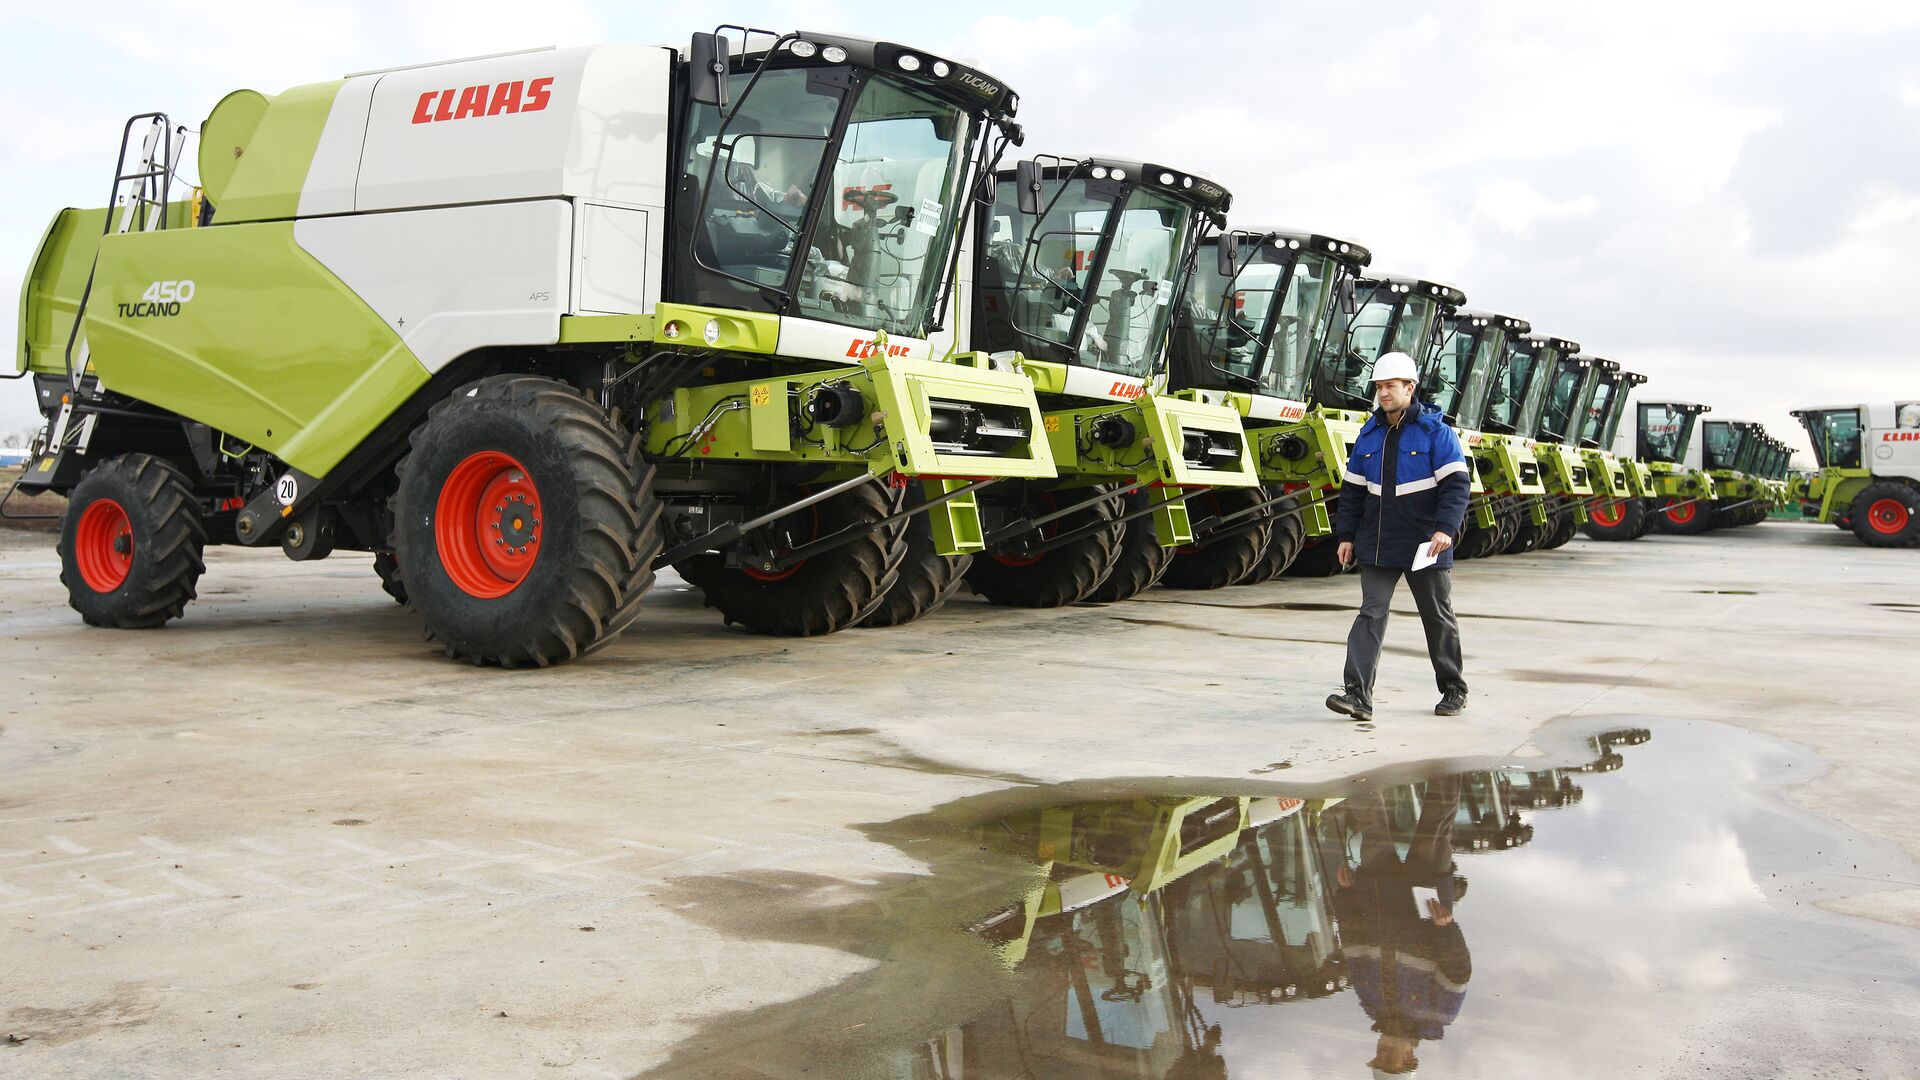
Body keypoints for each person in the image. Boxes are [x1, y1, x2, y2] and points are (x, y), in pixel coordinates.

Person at [1325, 352, 1471, 722]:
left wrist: (1445, 529)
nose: (1383, 393)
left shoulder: (1436, 432)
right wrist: (1346, 536)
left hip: (1426, 543)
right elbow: (1354, 490)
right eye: (1379, 387)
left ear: (1410, 387)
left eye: (1390, 386)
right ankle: (1357, 695)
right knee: (1370, 615)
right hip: (1377, 542)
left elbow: (1456, 487)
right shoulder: (1369, 434)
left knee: (1437, 616)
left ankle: (1453, 688)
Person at [1332, 775, 1473, 1078]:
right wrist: (1446, 929)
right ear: (1410, 1059)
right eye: (1389, 1060)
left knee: (1371, 826)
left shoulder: (1371, 1005)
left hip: (1379, 896)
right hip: (1426, 900)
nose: (1382, 1052)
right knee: (1436, 824)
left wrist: (1346, 896)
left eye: (1377, 1058)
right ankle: (1445, 756)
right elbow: (1459, 972)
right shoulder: (1440, 1015)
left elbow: (1354, 944)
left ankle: (1361, 765)